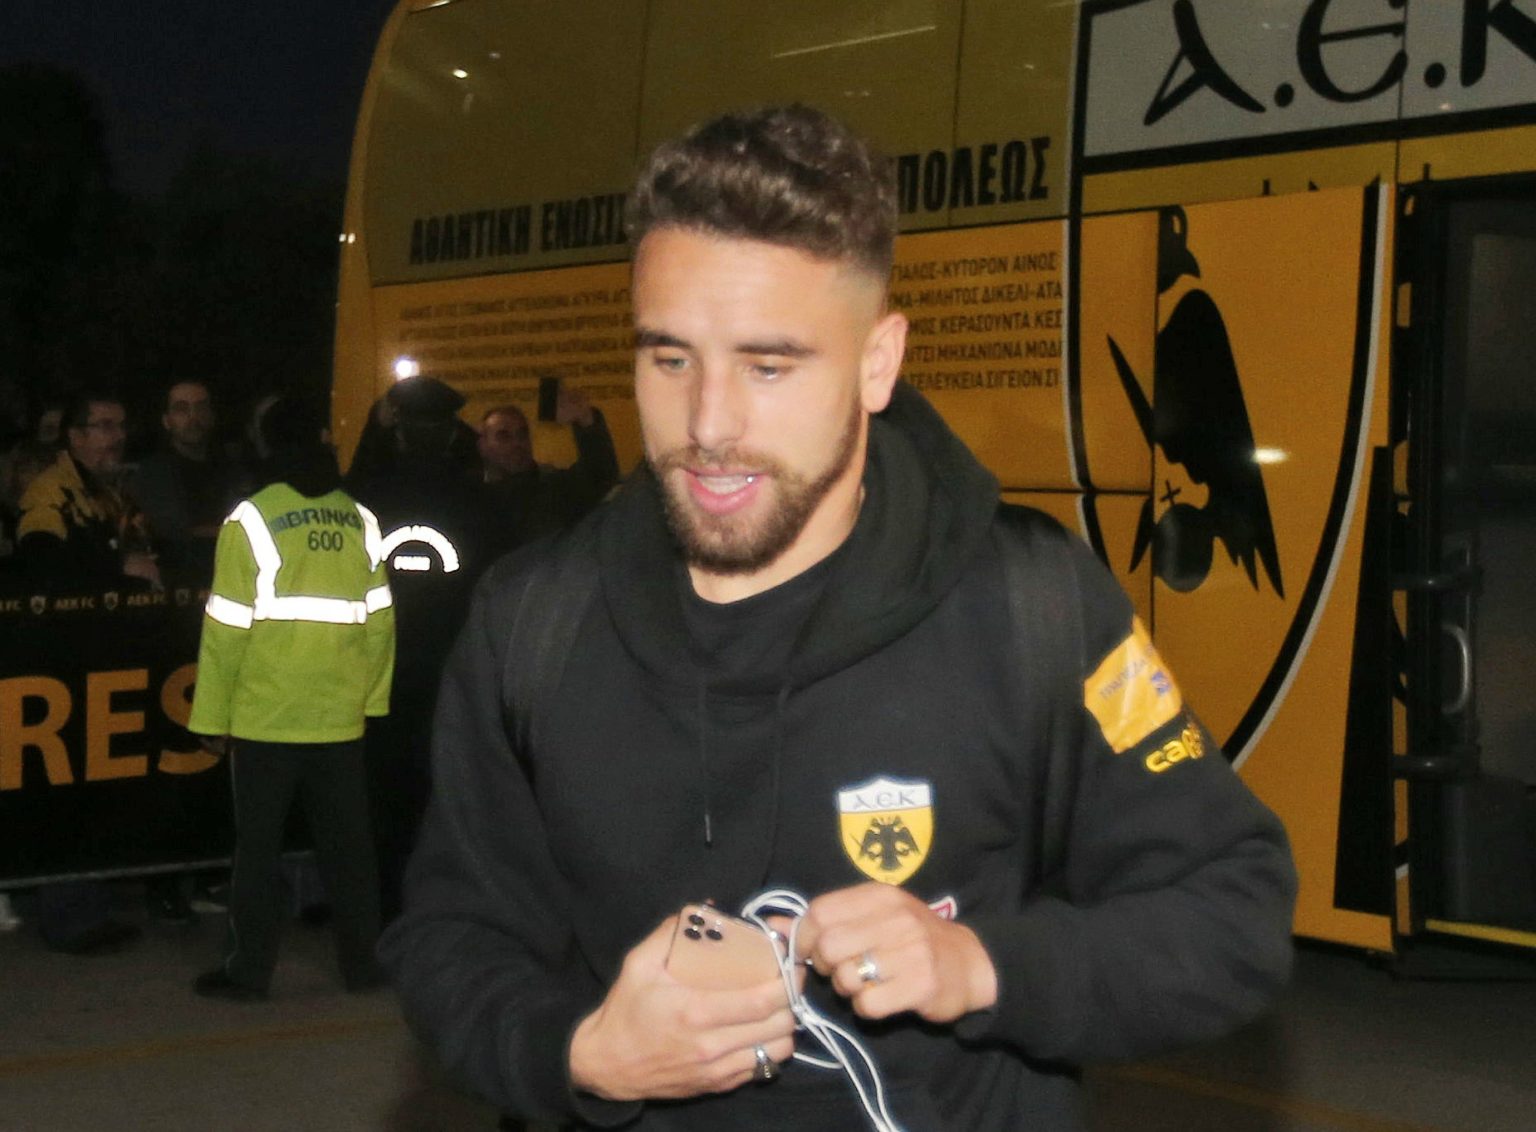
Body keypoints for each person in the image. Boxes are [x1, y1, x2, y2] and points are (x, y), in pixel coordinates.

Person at [380, 106, 1297, 1130]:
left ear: (877, 361)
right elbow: (449, 938)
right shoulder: (534, 622)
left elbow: (1234, 910)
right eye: (670, 359)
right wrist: (582, 1054)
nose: (709, 424)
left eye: (769, 366)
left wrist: (982, 966)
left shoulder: (1031, 605)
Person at [188, 396, 394, 1001]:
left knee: (257, 853)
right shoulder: (360, 519)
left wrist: (211, 716)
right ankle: (364, 966)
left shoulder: (251, 519)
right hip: (339, 718)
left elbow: (225, 629)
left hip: (265, 718)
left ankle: (248, 973)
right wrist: (370, 702)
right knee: (350, 850)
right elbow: (381, 621)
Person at [346, 375, 493, 923]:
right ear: (452, 433)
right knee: (448, 798)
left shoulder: (366, 497)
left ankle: (385, 911)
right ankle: (443, 913)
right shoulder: (476, 500)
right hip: (451, 673)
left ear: (399, 431)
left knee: (382, 798)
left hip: (379, 672)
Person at [14, 389, 160, 592]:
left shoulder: (112, 492)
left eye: (122, 426)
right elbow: (44, 572)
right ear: (76, 436)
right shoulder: (49, 496)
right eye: (106, 426)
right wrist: (121, 571)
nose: (120, 436)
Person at [477, 383, 619, 555]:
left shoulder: (554, 489)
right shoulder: (472, 499)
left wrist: (586, 421)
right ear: (483, 445)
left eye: (522, 434)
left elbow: (599, 474)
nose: (517, 444)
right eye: (503, 436)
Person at [127, 379, 246, 583]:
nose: (193, 417)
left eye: (201, 408)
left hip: (233, 577)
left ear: (212, 416)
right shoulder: (154, 473)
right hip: (178, 580)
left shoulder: (233, 468)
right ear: (167, 421)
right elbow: (173, 531)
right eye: (182, 409)